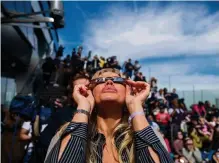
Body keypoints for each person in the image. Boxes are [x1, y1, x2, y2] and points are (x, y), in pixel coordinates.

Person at [45, 68, 173, 163]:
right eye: (100, 80)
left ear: (128, 89)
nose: (109, 82)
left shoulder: (149, 133)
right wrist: (84, 107)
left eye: (117, 79)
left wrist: (135, 106)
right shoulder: (65, 134)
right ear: (90, 90)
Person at [32, 73, 90, 163]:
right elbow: (43, 144)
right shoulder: (63, 114)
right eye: (78, 88)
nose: (84, 90)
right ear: (72, 93)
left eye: (87, 86)